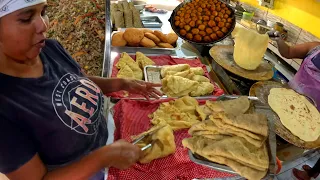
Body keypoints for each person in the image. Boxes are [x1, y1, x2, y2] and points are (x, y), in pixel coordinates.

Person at [0, 0, 162, 179]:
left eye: (43, 12)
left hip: (109, 142)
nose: (43, 24)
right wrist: (102, 158)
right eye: (26, 18)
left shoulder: (50, 49)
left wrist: (122, 84)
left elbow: (77, 83)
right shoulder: (6, 105)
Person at [273, 35, 320, 180]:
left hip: (310, 118)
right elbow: (287, 52)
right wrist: (277, 39)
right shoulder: (315, 48)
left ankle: (310, 173)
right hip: (284, 99)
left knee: (283, 143)